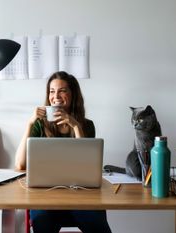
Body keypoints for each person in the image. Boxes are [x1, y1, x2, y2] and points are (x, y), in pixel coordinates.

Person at [15, 71, 112, 233]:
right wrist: (29, 124)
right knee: (41, 220)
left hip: (81, 197)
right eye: (52, 91)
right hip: (46, 197)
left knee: (97, 223)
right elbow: (19, 164)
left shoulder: (86, 125)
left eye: (62, 90)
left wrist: (76, 126)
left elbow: (88, 165)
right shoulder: (40, 124)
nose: (56, 96)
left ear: (73, 94)